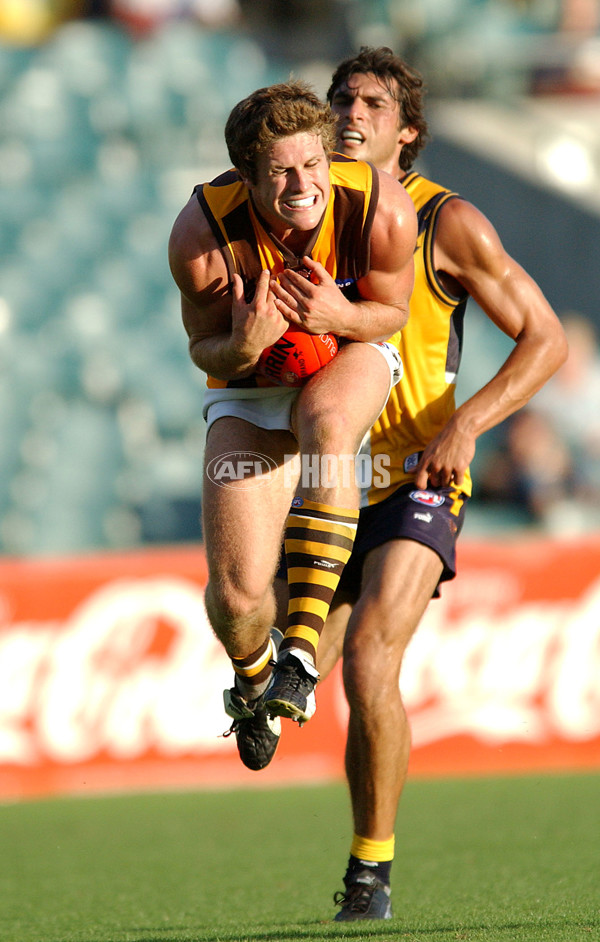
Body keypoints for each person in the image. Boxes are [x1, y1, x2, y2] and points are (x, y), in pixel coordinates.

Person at [266, 48, 568, 921]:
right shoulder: (299, 219)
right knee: (277, 693)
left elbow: (544, 337)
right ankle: (264, 693)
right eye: (340, 99)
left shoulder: (447, 222)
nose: (351, 112)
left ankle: (370, 874)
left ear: (408, 132)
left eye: (372, 101)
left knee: (369, 661)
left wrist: (466, 424)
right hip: (330, 483)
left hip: (417, 479)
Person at [168, 80, 417, 771]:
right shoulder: (202, 235)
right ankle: (254, 677)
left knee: (327, 417)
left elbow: (392, 314)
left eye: (312, 165)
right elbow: (202, 349)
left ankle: (301, 652)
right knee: (239, 596)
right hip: (249, 388)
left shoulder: (379, 207)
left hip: (348, 352)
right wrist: (243, 348)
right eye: (280, 172)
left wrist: (338, 320)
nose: (303, 185)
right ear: (247, 175)